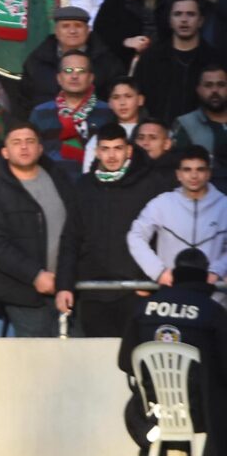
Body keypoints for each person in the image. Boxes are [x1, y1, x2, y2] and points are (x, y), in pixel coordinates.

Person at [117, 248, 227, 456]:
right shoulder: (212, 311)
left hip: (153, 414)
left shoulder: (144, 308)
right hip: (202, 415)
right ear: (204, 277)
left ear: (175, 275)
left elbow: (125, 362)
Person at [56, 123, 171, 337]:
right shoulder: (84, 186)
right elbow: (71, 238)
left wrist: (149, 280)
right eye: (105, 149)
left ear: (129, 150)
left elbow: (163, 236)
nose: (111, 155)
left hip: (137, 291)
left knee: (135, 354)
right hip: (92, 292)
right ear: (97, 152)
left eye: (118, 148)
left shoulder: (151, 183)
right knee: (96, 356)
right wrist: (64, 285)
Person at [0, 122, 74, 338]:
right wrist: (35, 275)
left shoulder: (59, 178)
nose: (24, 147)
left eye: (30, 141)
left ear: (40, 148)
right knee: (38, 355)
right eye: (16, 142)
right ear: (5, 152)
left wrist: (66, 278)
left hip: (66, 288)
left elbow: (74, 231)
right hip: (23, 294)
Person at [127, 145, 227, 286]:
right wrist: (158, 271)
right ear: (178, 174)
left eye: (200, 169)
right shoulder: (162, 203)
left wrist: (218, 271)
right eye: (187, 169)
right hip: (172, 291)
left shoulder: (223, 205)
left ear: (208, 173)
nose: (194, 176)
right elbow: (136, 235)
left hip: (213, 293)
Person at [17, 5, 125, 120]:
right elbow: (24, 101)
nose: (72, 31)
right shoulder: (37, 60)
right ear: (56, 31)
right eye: (65, 26)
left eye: (78, 26)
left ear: (88, 30)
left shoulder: (107, 61)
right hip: (45, 126)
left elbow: (119, 97)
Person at [134, 0, 220, 126]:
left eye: (190, 14)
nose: (184, 20)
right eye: (178, 14)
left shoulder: (216, 60)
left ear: (201, 21)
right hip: (158, 132)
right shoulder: (151, 58)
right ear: (170, 20)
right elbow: (138, 98)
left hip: (203, 132)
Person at [28, 50, 116, 181]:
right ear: (59, 78)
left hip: (96, 185)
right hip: (50, 185)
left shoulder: (107, 112)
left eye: (81, 71)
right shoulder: (40, 113)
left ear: (91, 78)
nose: (74, 76)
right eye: (68, 71)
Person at [171, 64, 227, 191]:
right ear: (199, 90)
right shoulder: (186, 124)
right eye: (208, 85)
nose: (215, 90)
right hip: (202, 196)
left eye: (221, 85)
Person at [82, 77, 146, 173]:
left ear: (140, 100)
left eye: (128, 96)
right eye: (116, 97)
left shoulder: (153, 133)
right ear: (110, 103)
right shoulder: (98, 138)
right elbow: (88, 175)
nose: (122, 103)